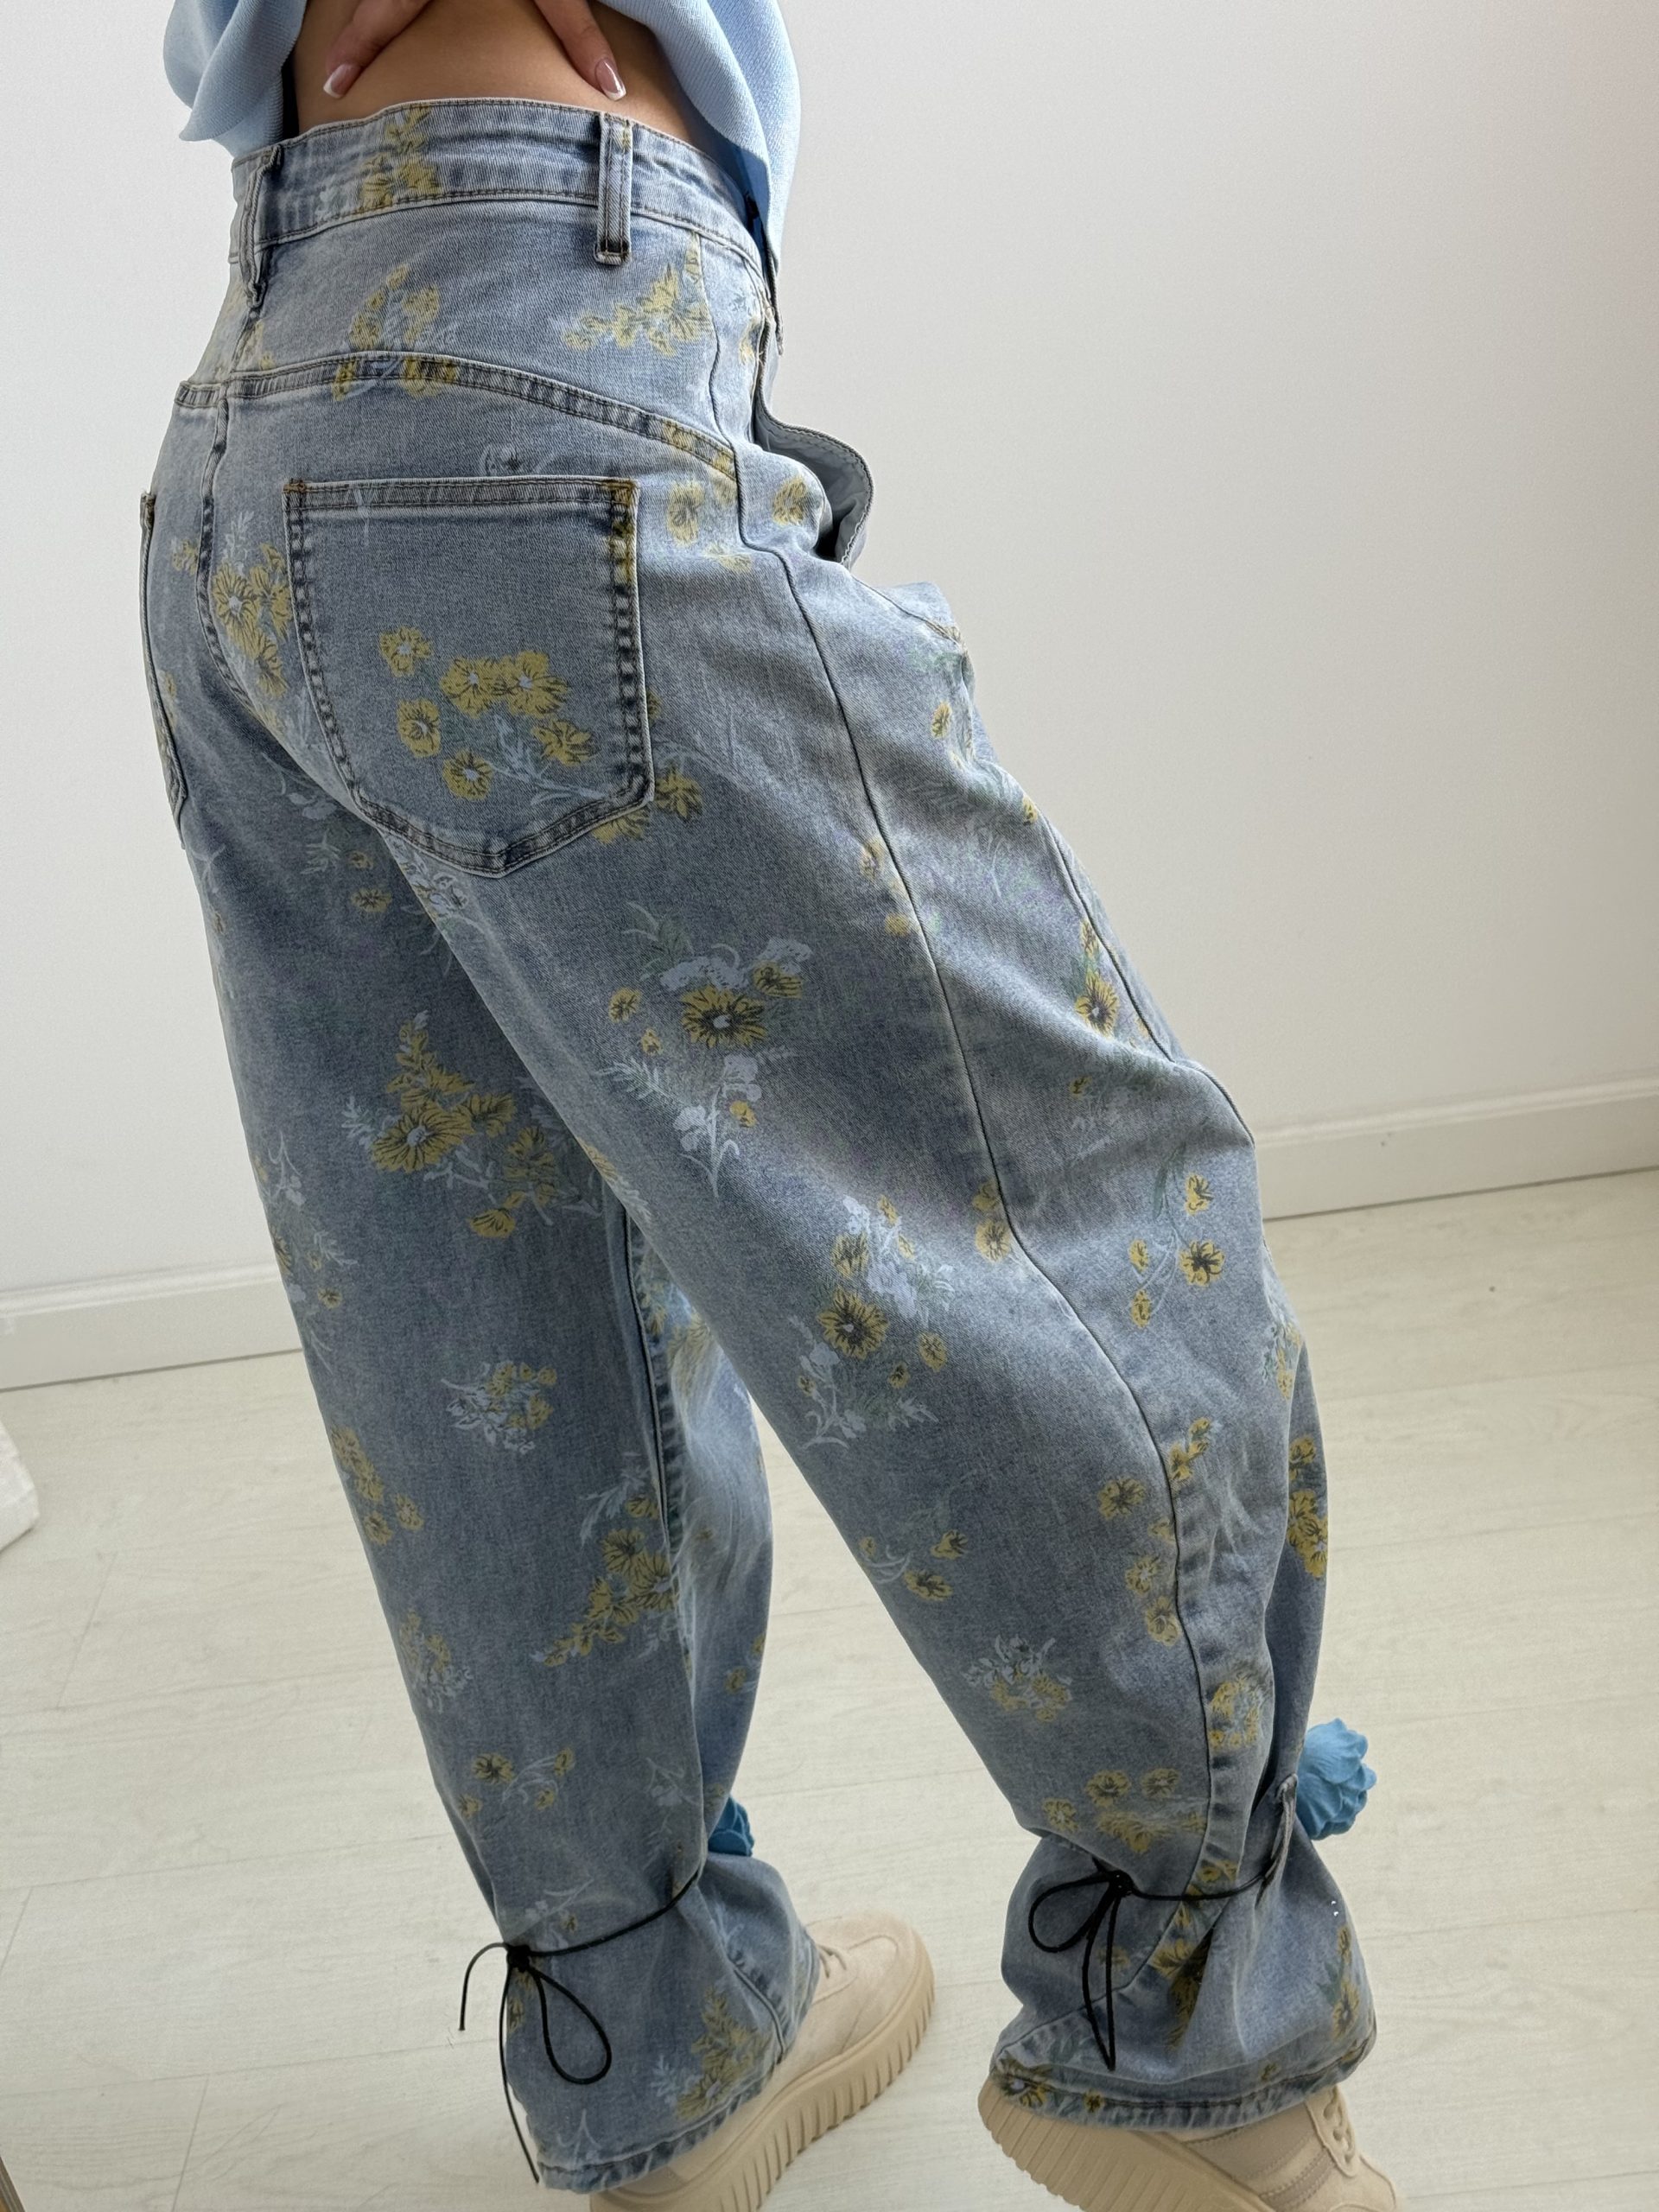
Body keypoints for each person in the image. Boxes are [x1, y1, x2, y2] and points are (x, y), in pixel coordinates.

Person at [144, 3, 1398, 2206]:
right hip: (534, 341)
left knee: (489, 1315)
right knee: (1066, 1198)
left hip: (261, 410)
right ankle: (1203, 2040)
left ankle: (658, 2051)